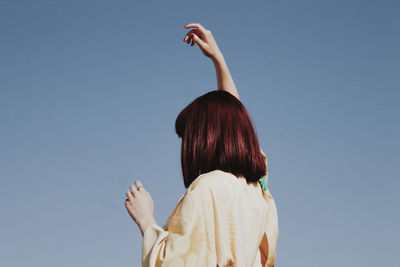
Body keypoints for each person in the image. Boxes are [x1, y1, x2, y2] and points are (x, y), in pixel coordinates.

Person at [124, 23, 279, 267]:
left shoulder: (208, 189)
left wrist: (146, 220)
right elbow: (236, 122)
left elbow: (176, 262)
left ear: (203, 138)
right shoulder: (257, 192)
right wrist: (218, 59)